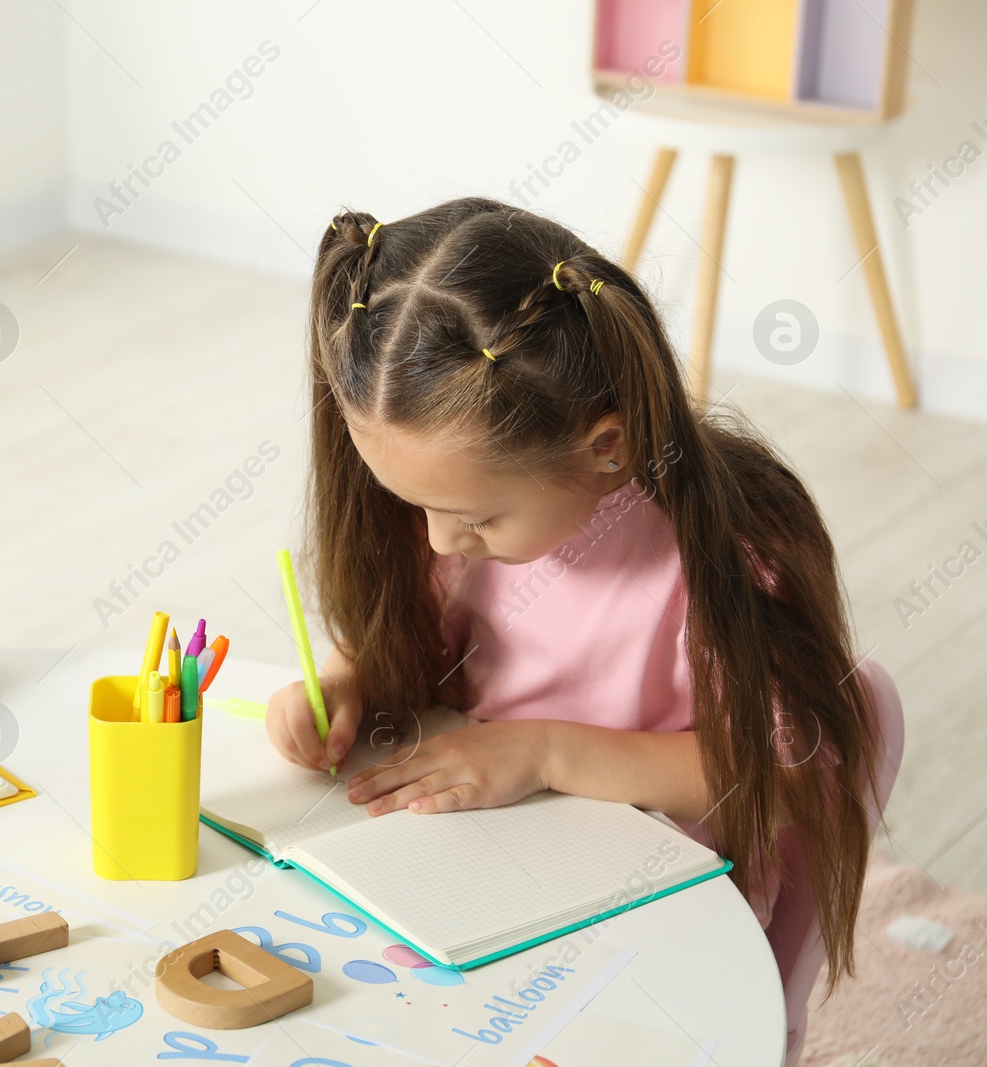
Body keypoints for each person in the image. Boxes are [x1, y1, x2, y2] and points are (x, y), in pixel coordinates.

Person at [264, 200, 902, 1063]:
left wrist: (544, 752)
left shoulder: (726, 552)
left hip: (657, 912)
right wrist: (349, 674)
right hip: (487, 863)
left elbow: (777, 777)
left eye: (473, 517)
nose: (439, 541)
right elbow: (420, 626)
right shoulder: (466, 509)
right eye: (415, 506)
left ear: (606, 448)